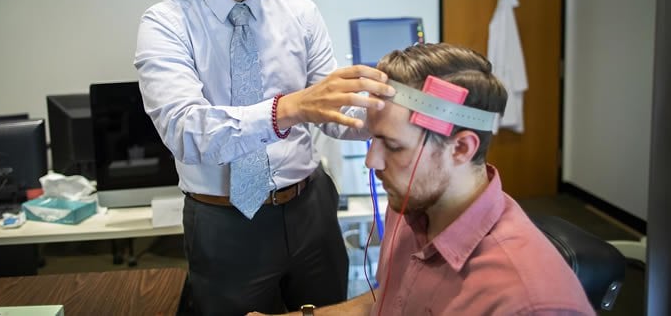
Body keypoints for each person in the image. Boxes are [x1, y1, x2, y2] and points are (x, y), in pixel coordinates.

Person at [134, 0, 395, 315]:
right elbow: (187, 131)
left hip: (309, 207)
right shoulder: (166, 24)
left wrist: (393, 116)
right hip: (223, 222)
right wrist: (289, 109)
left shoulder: (299, 12)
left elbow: (332, 114)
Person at [250, 43, 594, 315]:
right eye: (374, 139)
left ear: (460, 149)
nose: (372, 161)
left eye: (394, 146)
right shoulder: (409, 206)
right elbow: (391, 303)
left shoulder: (529, 302)